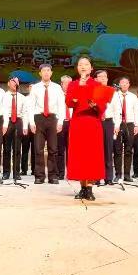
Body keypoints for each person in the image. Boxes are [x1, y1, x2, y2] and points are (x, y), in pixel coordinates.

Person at [65, 57, 110, 200]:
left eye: (86, 64)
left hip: (92, 122)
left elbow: (102, 107)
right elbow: (69, 102)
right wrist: (80, 86)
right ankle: (82, 187)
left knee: (91, 155)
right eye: (80, 64)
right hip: (78, 123)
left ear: (91, 68)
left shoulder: (97, 84)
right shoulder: (73, 84)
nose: (83, 67)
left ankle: (89, 188)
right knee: (79, 155)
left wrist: (95, 105)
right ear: (77, 68)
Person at [28, 64, 64, 184]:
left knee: (53, 149)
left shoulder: (57, 87)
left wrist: (60, 121)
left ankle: (53, 176)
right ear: (40, 73)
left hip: (53, 118)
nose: (46, 73)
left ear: (51, 73)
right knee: (38, 149)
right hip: (39, 118)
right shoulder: (35, 88)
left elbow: (61, 105)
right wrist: (31, 122)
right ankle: (39, 176)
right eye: (44, 71)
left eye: (48, 70)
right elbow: (31, 106)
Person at [1, 77, 29, 181]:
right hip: (6, 122)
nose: (15, 83)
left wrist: (25, 126)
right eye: (13, 81)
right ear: (8, 83)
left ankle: (16, 173)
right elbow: (1, 110)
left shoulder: (22, 97)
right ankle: (6, 173)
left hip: (18, 121)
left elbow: (25, 112)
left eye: (17, 82)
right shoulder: (3, 96)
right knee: (6, 149)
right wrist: (4, 124)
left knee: (17, 149)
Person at [111, 76, 138, 183]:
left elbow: (136, 111)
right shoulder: (114, 95)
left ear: (129, 85)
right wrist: (115, 124)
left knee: (128, 149)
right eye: (122, 83)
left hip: (130, 124)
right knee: (117, 150)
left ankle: (127, 174)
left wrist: (136, 125)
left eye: (126, 83)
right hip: (117, 124)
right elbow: (112, 110)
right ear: (119, 84)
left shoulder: (133, 97)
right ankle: (118, 174)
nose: (124, 85)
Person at [95, 70, 116, 185]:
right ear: (96, 79)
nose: (103, 78)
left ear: (107, 79)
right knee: (97, 150)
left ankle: (108, 178)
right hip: (96, 122)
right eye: (100, 76)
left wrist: (116, 125)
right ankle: (96, 177)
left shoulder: (113, 92)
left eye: (105, 76)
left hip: (108, 122)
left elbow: (117, 110)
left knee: (108, 150)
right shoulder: (93, 91)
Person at [56, 75, 73, 180]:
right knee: (60, 149)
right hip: (60, 123)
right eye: (65, 83)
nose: (67, 85)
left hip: (72, 124)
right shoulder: (57, 95)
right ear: (61, 84)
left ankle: (71, 173)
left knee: (71, 150)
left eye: (69, 83)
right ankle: (60, 173)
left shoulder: (75, 95)